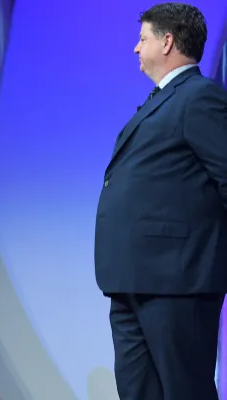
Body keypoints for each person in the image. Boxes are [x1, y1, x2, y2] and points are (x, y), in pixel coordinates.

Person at [95, 3, 227, 399]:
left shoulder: (200, 97)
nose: (136, 48)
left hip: (177, 281)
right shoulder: (161, 100)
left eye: (143, 38)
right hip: (133, 278)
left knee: (185, 390)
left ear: (167, 41)